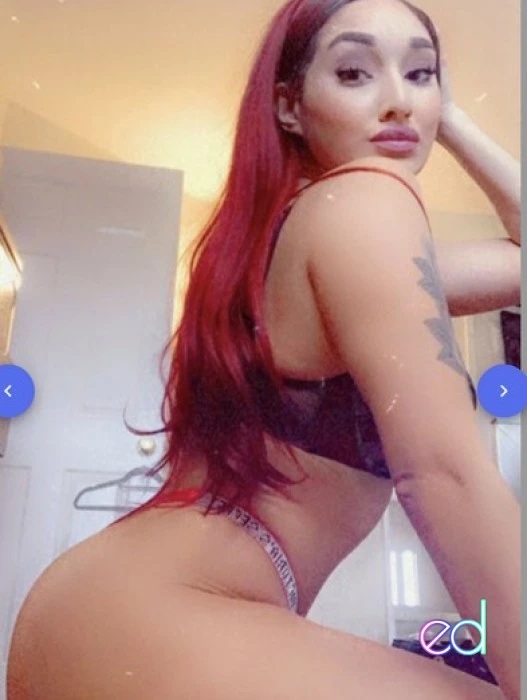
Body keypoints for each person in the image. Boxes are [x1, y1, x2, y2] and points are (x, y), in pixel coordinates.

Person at [7, 0, 520, 698]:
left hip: (106, 611)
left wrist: (451, 119)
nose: (399, 101)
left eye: (421, 74)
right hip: (166, 616)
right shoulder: (366, 203)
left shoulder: (325, 242)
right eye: (354, 72)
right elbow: (443, 474)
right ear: (288, 105)